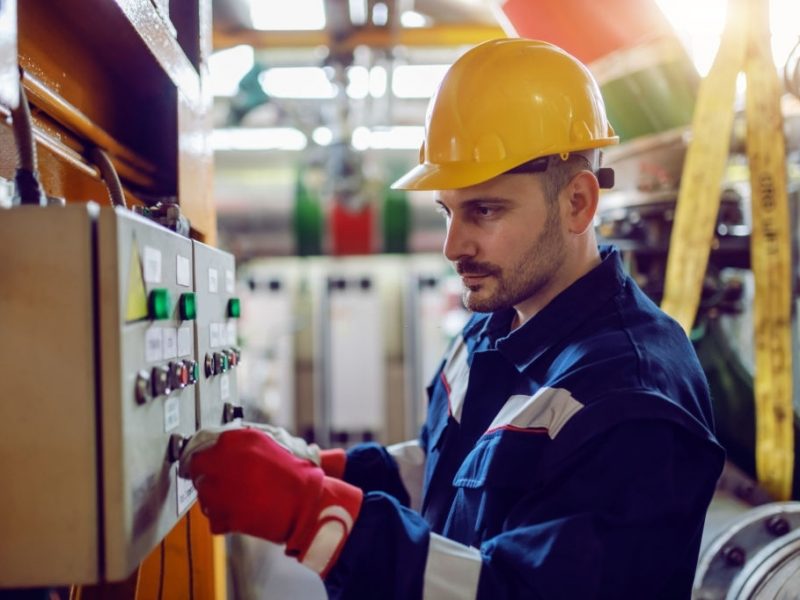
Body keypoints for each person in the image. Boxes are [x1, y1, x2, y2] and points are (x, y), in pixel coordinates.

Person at [179, 38, 725, 599]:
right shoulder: (496, 322)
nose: (452, 245)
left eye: (484, 210)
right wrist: (324, 467)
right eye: (447, 211)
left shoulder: (630, 397)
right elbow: (450, 475)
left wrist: (316, 515)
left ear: (577, 204)